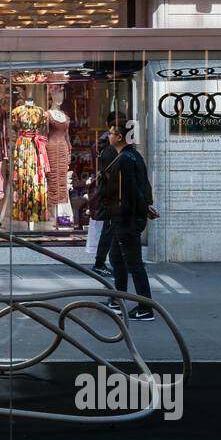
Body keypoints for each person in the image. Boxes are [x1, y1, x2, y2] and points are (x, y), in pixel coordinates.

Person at [99, 118, 155, 321]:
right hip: (124, 218)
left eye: (112, 133)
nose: (109, 136)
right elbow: (144, 186)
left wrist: (143, 209)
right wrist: (146, 207)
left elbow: (130, 191)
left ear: (120, 136)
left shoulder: (124, 160)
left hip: (126, 220)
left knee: (134, 264)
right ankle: (117, 299)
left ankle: (145, 308)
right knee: (116, 257)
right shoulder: (134, 156)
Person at [88, 131, 117, 276]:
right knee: (109, 230)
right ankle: (100, 262)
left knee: (110, 230)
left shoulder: (103, 149)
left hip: (109, 195)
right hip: (111, 196)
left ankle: (103, 262)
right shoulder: (109, 150)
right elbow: (110, 174)